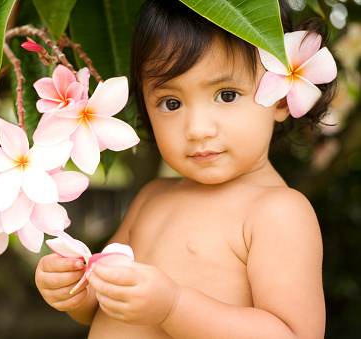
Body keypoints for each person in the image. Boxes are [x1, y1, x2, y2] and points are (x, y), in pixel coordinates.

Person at [35, 0, 336, 337]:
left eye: (226, 95)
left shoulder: (278, 213)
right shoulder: (152, 198)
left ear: (282, 97)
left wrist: (174, 306)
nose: (197, 129)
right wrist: (75, 289)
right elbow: (101, 306)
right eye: (171, 103)